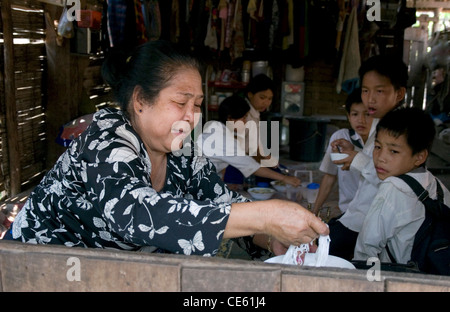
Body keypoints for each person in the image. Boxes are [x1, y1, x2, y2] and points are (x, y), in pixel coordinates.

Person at [4, 40, 328, 257]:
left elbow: (223, 202)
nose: (192, 116)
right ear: (141, 100)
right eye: (180, 102)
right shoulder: (107, 136)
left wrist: (269, 237)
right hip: (34, 268)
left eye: (198, 105)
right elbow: (137, 212)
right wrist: (265, 214)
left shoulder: (183, 151)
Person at [327, 54, 408, 260]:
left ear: (399, 94)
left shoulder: (400, 130)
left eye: (379, 91)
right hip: (355, 217)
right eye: (365, 90)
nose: (370, 99)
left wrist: (356, 159)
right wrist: (355, 155)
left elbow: (393, 177)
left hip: (366, 225)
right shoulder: (379, 125)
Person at [353, 107, 450, 263]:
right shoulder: (436, 185)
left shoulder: (392, 188)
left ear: (419, 157)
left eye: (393, 151)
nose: (381, 158)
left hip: (395, 278)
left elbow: (366, 249)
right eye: (378, 147)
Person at [197, 95, 300, 187]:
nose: (246, 122)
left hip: (205, 179)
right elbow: (251, 166)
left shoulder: (217, 127)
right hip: (196, 182)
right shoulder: (221, 138)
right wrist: (284, 178)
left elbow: (222, 162)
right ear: (230, 118)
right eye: (243, 118)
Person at [312, 88, 372, 216]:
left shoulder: (383, 143)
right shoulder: (340, 138)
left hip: (374, 213)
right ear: (348, 116)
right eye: (355, 114)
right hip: (347, 212)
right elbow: (329, 176)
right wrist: (314, 212)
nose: (361, 120)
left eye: (367, 114)